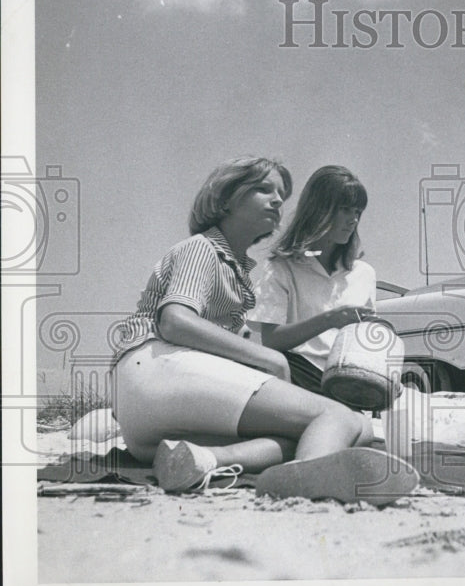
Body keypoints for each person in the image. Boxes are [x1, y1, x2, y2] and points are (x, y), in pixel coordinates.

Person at [112, 157, 418, 503]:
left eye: (281, 195)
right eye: (263, 189)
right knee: (341, 418)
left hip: (147, 421)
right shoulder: (201, 248)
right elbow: (175, 320)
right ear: (224, 197)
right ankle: (310, 479)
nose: (277, 201)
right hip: (156, 367)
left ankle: (203, 460)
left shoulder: (238, 271)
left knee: (316, 433)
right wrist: (268, 357)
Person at [249, 165, 377, 395]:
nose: (354, 220)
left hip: (346, 380)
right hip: (296, 375)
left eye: (358, 211)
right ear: (319, 210)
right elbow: (271, 341)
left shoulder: (364, 274)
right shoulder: (282, 267)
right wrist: (329, 320)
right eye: (345, 210)